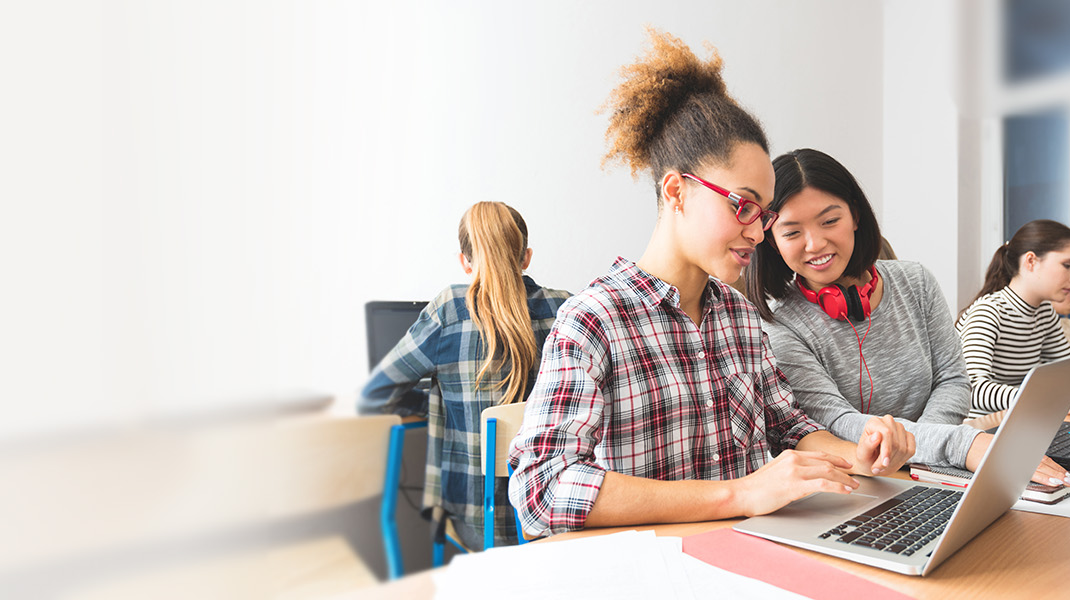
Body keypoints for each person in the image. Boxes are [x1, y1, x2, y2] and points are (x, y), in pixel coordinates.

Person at [506, 29, 891, 540]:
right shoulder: (595, 320)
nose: (759, 231)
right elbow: (541, 491)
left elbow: (788, 427)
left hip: (758, 554)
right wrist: (741, 493)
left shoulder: (738, 314)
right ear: (676, 191)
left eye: (765, 213)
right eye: (744, 205)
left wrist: (858, 451)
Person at [748, 148, 1070, 484]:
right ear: (770, 240)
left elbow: (954, 379)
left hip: (940, 468)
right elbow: (836, 421)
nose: (814, 244)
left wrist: (930, 449)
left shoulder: (916, 282)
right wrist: (960, 445)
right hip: (866, 482)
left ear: (855, 216)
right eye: (791, 232)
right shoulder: (778, 327)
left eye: (830, 221)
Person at [357, 201, 573, 543]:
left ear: (464, 262)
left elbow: (374, 395)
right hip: (554, 517)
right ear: (526, 257)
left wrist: (438, 406)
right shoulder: (565, 308)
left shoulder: (450, 310)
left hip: (481, 524)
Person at [960, 220, 1070, 422]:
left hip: (1028, 420)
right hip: (982, 430)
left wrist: (1047, 392)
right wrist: (1050, 398)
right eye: (1067, 265)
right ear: (1031, 262)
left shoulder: (1044, 313)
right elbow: (972, 392)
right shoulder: (988, 312)